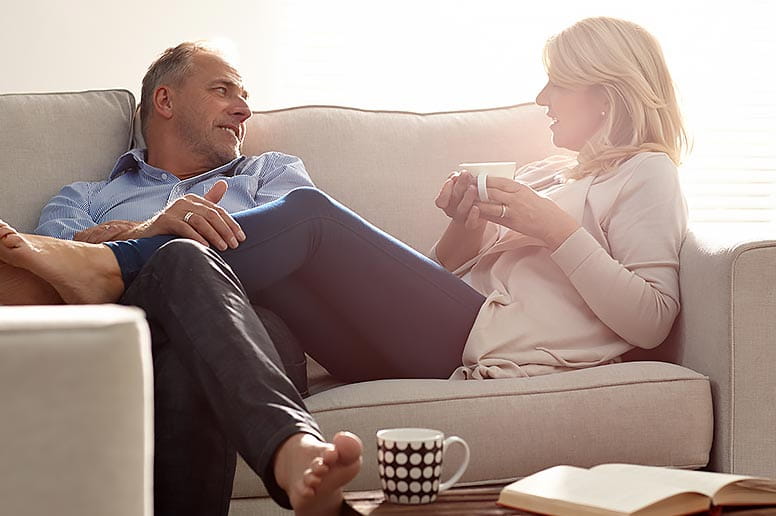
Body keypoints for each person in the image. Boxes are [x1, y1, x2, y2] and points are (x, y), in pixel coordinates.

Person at [0, 14, 688, 513]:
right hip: (454, 326)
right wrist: (462, 227)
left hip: (479, 337)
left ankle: (111, 270)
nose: (541, 99)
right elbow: (449, 279)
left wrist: (557, 229)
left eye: (557, 86)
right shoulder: (549, 173)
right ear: (165, 101)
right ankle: (285, 443)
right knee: (183, 258)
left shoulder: (645, 174)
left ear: (605, 92)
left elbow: (652, 319)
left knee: (303, 214)